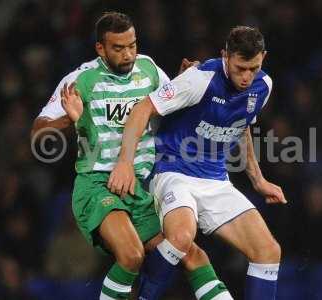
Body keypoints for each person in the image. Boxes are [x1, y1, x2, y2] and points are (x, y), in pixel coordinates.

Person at [31, 11, 233, 300]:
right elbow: (38, 133)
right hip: (97, 184)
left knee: (192, 254)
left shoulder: (148, 69)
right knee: (131, 254)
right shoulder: (81, 80)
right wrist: (70, 119)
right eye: (118, 48)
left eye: (132, 45)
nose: (128, 54)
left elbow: (170, 105)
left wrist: (182, 81)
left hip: (141, 187)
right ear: (100, 48)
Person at [109, 25, 287, 300]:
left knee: (268, 251)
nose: (246, 77)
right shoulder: (198, 79)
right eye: (240, 68)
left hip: (216, 179)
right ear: (225, 55)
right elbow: (143, 108)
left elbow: (241, 126)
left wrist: (258, 180)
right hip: (173, 171)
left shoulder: (263, 86)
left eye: (253, 68)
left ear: (263, 57)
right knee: (181, 237)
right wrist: (125, 162)